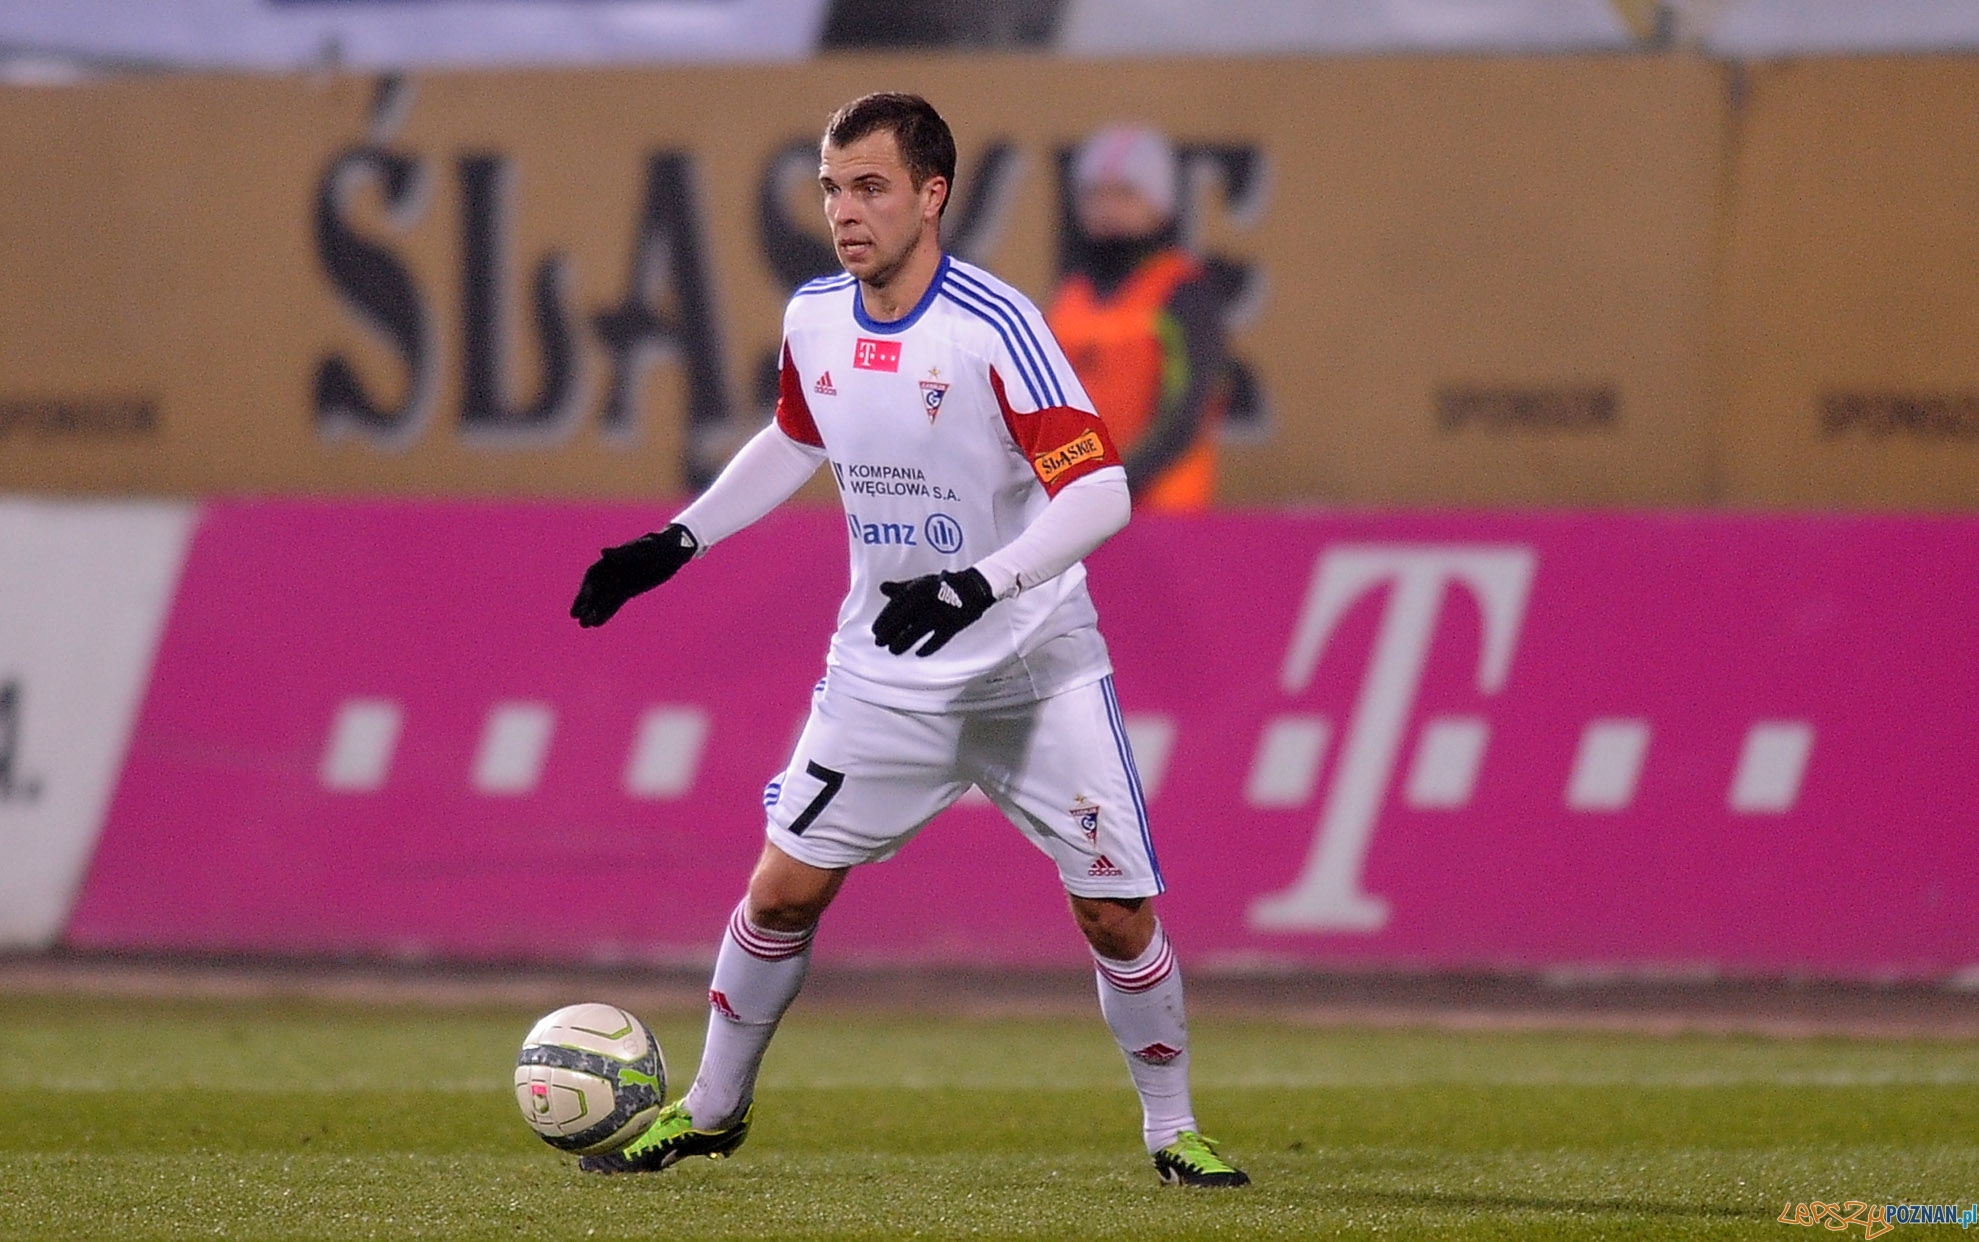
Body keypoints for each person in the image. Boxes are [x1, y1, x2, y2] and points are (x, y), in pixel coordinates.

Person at [568, 92, 1248, 1189]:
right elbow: (796, 438)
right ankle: (709, 1111)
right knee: (780, 894)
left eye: (870, 187)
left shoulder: (993, 325)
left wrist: (978, 585)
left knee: (1116, 916)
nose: (845, 211)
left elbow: (1101, 491)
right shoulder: (813, 318)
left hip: (1033, 670)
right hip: (884, 672)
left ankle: (1172, 1132)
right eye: (832, 188)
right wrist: (677, 539)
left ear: (932, 195)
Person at [1047, 124, 1227, 511]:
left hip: (1165, 514)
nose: (1107, 207)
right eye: (1095, 194)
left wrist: (1112, 485)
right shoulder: (1072, 295)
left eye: (1126, 193)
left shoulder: (1182, 292)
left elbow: (1184, 417)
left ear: (1159, 204)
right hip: (1080, 513)